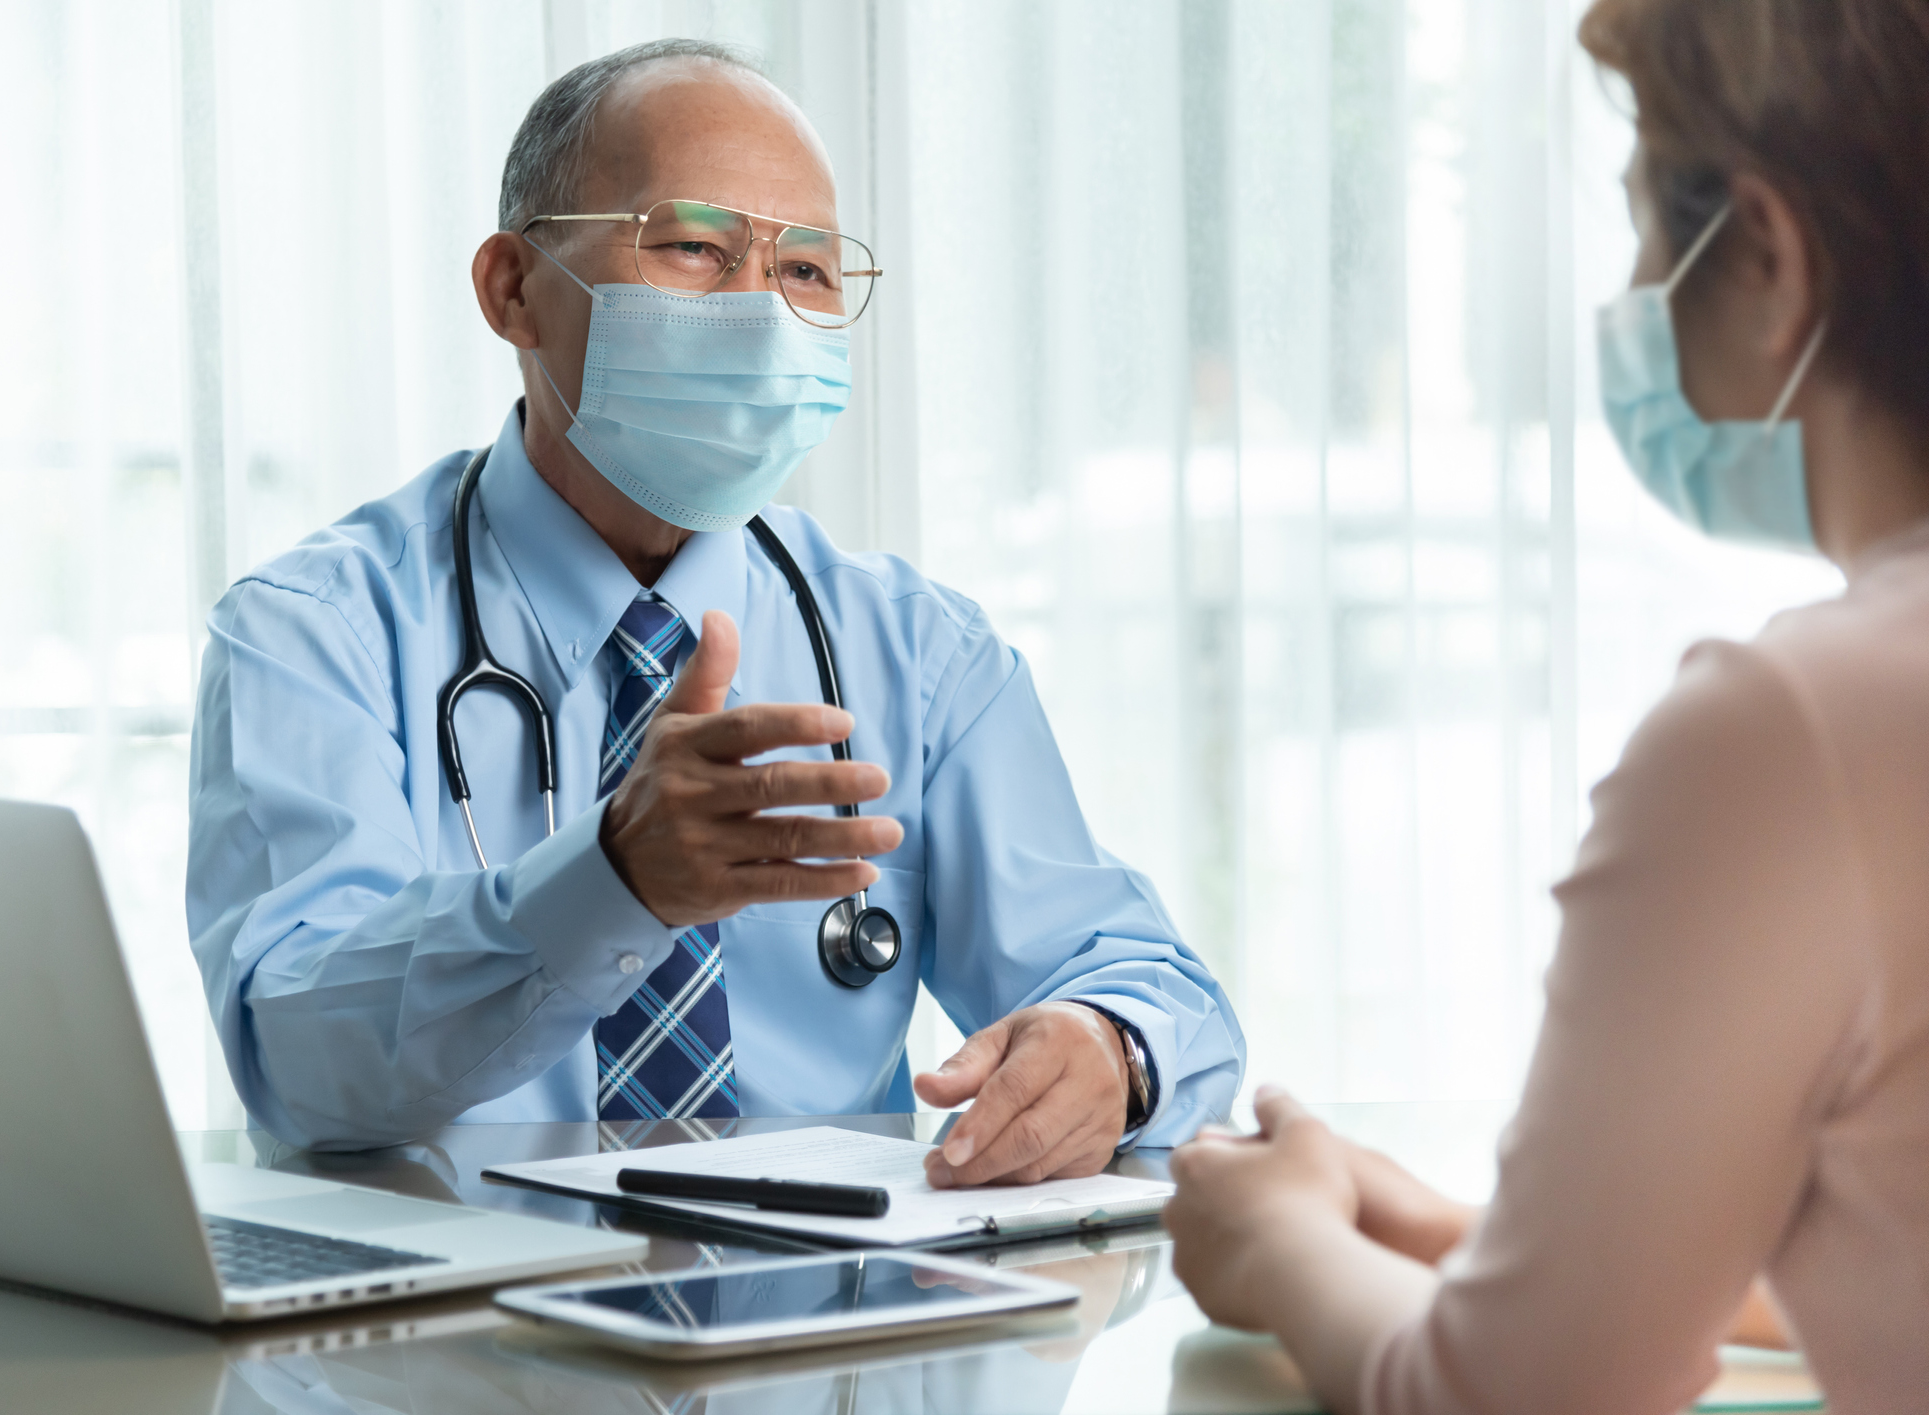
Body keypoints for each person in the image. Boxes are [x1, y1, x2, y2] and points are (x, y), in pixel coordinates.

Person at [186, 39, 1244, 1175]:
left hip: (825, 1279)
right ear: (513, 290)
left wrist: (1109, 1048)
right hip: (464, 1282)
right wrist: (609, 882)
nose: (762, 315)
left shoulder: (918, 652)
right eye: (693, 247)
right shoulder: (315, 632)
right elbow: (298, 1055)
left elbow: (1141, 980)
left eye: (806, 271)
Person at [1162, 1, 1929, 1410]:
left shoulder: (1791, 729)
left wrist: (1271, 1238)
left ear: (1766, 255)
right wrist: (1478, 1237)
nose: (1633, 291)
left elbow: (1509, 1393)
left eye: (1643, 227)